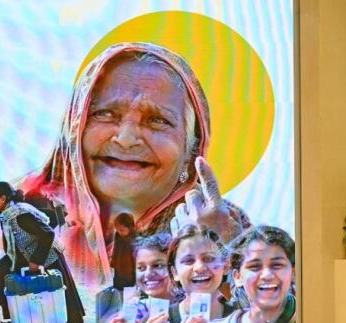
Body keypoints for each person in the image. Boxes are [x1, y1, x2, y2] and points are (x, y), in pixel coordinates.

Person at [16, 42, 250, 293]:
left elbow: (271, 321)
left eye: (158, 120)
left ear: (191, 151)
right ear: (75, 129)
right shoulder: (22, 211)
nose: (126, 139)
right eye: (104, 114)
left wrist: (228, 247)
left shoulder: (223, 223)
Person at [0, 181, 85, 323]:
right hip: (20, 255)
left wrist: (36, 261)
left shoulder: (20, 215)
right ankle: (18, 319)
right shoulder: (7, 214)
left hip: (43, 256)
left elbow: (47, 234)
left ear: (3, 198)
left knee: (40, 293)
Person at [143, 224, 235, 323]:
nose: (199, 267)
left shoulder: (243, 321)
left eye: (209, 258)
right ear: (174, 272)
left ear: (225, 266)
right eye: (188, 260)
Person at [204, 226, 296, 323]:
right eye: (255, 266)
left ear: (293, 272)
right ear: (237, 277)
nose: (267, 275)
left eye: (277, 265)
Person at [97, 232, 176, 323]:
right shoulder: (133, 313)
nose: (148, 274)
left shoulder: (187, 309)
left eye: (158, 265)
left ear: (175, 269)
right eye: (141, 267)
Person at [110, 213, 136, 290]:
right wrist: (113, 262)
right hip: (118, 268)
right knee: (117, 289)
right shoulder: (117, 235)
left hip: (129, 272)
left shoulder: (134, 238)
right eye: (117, 230)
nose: (119, 232)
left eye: (122, 230)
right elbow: (115, 249)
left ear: (130, 228)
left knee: (127, 291)